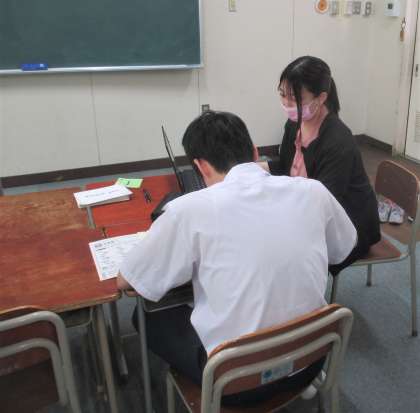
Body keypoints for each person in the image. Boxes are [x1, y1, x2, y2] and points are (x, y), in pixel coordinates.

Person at [117, 110, 357, 405]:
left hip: (237, 383)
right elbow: (343, 248)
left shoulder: (187, 211)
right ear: (255, 153)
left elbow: (128, 280)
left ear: (200, 167)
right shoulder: (314, 191)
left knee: (146, 314)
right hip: (311, 361)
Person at [264, 56, 380, 275]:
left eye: (295, 97)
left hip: (350, 223)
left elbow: (325, 203)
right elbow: (286, 166)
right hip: (308, 208)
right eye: (282, 94)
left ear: (321, 98)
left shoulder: (338, 141)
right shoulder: (294, 124)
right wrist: (257, 168)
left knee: (283, 251)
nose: (286, 103)